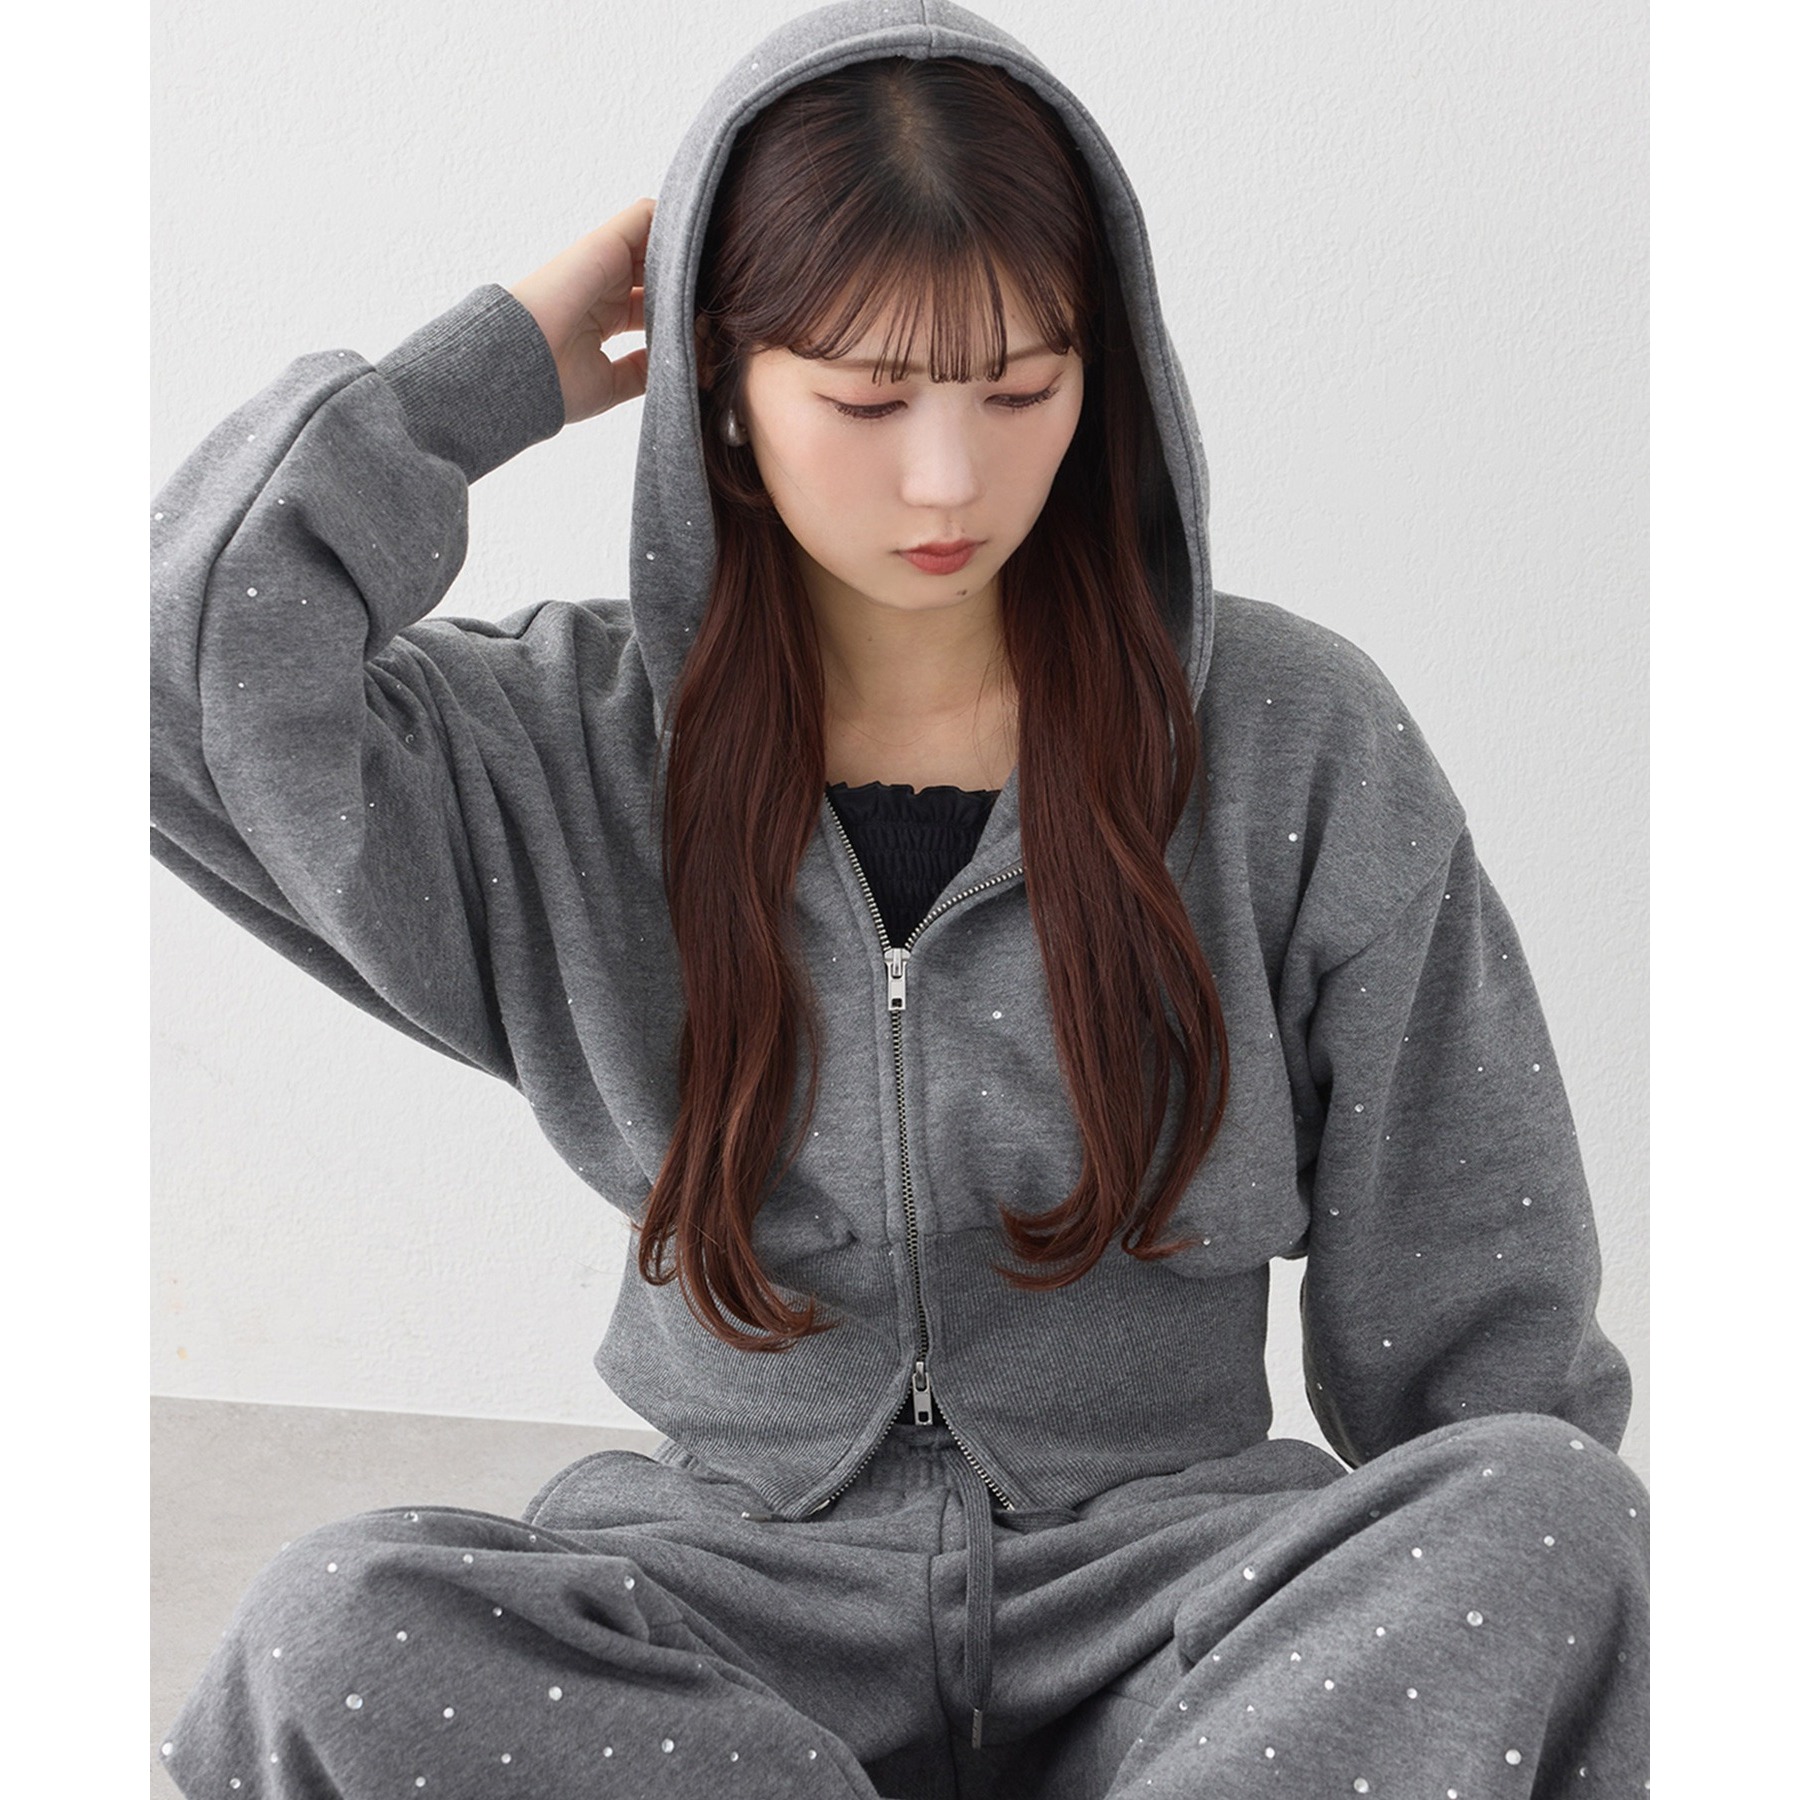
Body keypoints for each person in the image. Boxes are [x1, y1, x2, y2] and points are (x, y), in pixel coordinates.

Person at [149, 1, 1648, 1795]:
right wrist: (493, 375)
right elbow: (171, 679)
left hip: (1174, 1606)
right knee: (339, 1621)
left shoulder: (1290, 736)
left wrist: (1501, 1600)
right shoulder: (560, 748)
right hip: (729, 1608)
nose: (949, 478)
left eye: (1021, 390)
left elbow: (1479, 1284)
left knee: (1552, 1510)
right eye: (865, 400)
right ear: (720, 386)